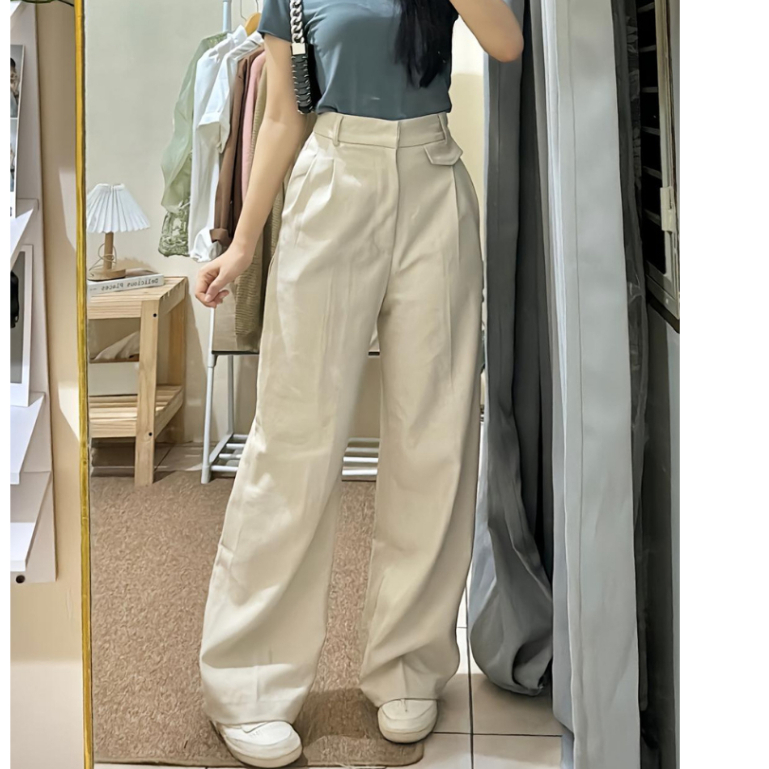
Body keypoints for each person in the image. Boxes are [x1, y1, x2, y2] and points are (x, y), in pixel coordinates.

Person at [195, 0, 523, 765]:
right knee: (292, 438)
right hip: (331, 179)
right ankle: (247, 680)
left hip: (433, 177)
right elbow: (282, 116)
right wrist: (242, 243)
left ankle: (407, 665)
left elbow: (505, 42)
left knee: (434, 439)